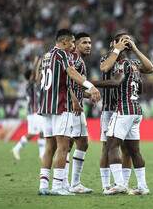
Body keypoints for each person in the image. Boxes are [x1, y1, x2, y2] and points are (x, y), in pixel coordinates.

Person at [38, 29, 100, 196]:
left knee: (49, 146)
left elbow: (39, 79)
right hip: (60, 105)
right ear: (64, 42)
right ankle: (59, 186)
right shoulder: (62, 54)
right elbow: (72, 74)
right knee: (63, 146)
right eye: (72, 42)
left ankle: (43, 185)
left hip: (46, 105)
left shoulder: (46, 56)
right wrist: (91, 86)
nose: (73, 46)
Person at [103, 33, 153, 195]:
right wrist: (120, 49)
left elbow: (150, 68)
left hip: (123, 109)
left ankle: (119, 184)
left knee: (111, 145)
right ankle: (142, 186)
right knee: (134, 150)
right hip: (136, 110)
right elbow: (149, 68)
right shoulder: (130, 63)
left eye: (129, 40)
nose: (127, 42)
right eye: (124, 40)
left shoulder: (123, 64)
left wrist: (89, 84)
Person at [91, 39, 133, 193]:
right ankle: (106, 184)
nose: (124, 44)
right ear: (113, 43)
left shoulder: (129, 63)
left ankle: (124, 184)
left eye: (126, 41)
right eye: (121, 41)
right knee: (107, 147)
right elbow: (104, 67)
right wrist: (116, 51)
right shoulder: (106, 58)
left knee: (127, 148)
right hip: (109, 110)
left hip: (125, 110)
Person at [61, 32, 94, 193]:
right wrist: (74, 100)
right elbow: (68, 83)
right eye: (84, 43)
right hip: (72, 107)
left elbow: (76, 86)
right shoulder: (74, 59)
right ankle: (74, 183)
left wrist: (89, 94)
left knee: (69, 144)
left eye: (89, 43)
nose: (88, 45)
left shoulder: (77, 59)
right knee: (82, 142)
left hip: (71, 105)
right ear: (77, 44)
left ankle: (66, 183)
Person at [12, 57, 46, 160]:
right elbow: (34, 75)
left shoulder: (32, 85)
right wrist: (38, 62)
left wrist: (38, 62)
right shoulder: (30, 84)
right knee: (34, 133)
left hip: (35, 112)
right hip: (34, 112)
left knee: (41, 132)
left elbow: (35, 75)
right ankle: (17, 148)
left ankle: (41, 154)